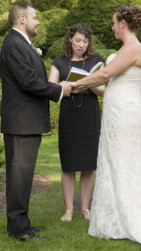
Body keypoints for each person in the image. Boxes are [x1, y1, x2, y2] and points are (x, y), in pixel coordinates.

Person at [71, 4, 141, 250]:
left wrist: (75, 85)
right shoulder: (126, 48)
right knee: (113, 159)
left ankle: (130, 215)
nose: (111, 27)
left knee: (124, 160)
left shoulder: (133, 48)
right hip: (116, 110)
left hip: (124, 112)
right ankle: (115, 213)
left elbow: (106, 73)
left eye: (113, 22)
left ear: (123, 23)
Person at [0, 2, 71, 241]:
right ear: (22, 19)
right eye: (34, 17)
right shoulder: (14, 44)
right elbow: (29, 82)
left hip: (25, 122)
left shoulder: (19, 43)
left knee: (24, 175)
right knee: (19, 176)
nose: (38, 21)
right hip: (21, 123)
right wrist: (59, 90)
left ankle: (21, 224)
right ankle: (19, 229)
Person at [49, 23, 105, 222]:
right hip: (69, 117)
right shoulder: (59, 62)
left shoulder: (96, 60)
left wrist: (88, 82)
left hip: (89, 116)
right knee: (68, 165)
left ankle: (84, 208)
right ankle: (68, 210)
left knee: (88, 165)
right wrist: (72, 88)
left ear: (89, 42)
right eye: (78, 40)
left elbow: (104, 90)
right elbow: (52, 89)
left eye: (85, 40)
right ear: (70, 40)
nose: (81, 44)